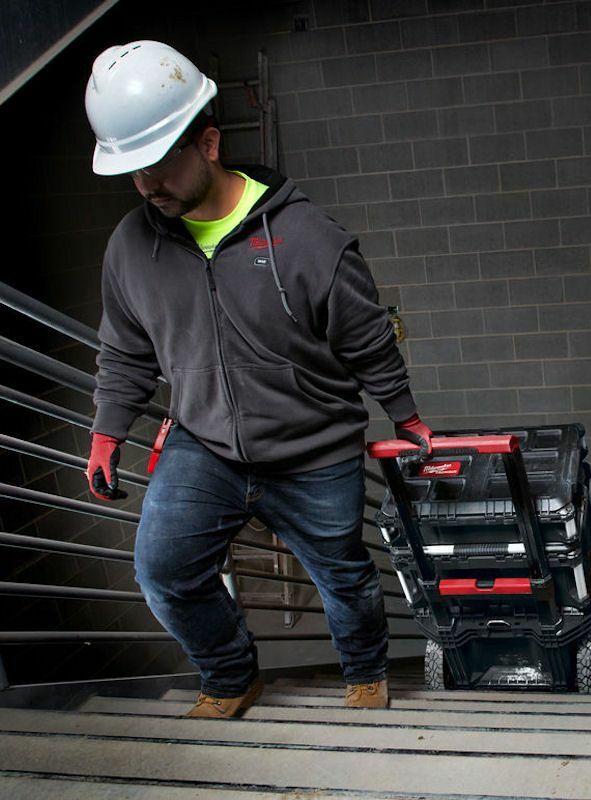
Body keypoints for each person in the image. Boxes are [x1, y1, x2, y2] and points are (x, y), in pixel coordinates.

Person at [83, 40, 432, 718]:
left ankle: (365, 673)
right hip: (204, 443)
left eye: (156, 166)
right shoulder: (133, 245)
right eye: (131, 173)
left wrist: (404, 411)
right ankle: (232, 675)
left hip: (314, 448)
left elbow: (366, 337)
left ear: (208, 143)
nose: (146, 187)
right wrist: (106, 431)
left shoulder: (308, 240)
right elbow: (124, 346)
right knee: (163, 571)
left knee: (343, 576)